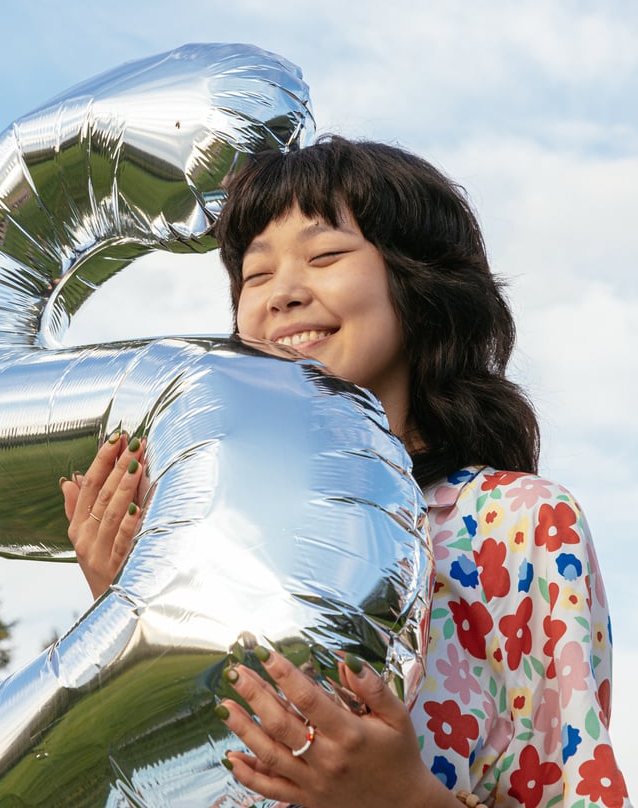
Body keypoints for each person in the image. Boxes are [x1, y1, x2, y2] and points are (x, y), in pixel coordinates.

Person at [61, 136, 631, 808]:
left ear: (418, 283)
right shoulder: (215, 540)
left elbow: (571, 791)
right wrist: (129, 617)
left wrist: (401, 798)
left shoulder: (517, 522)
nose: (283, 295)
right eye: (255, 276)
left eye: (325, 255)